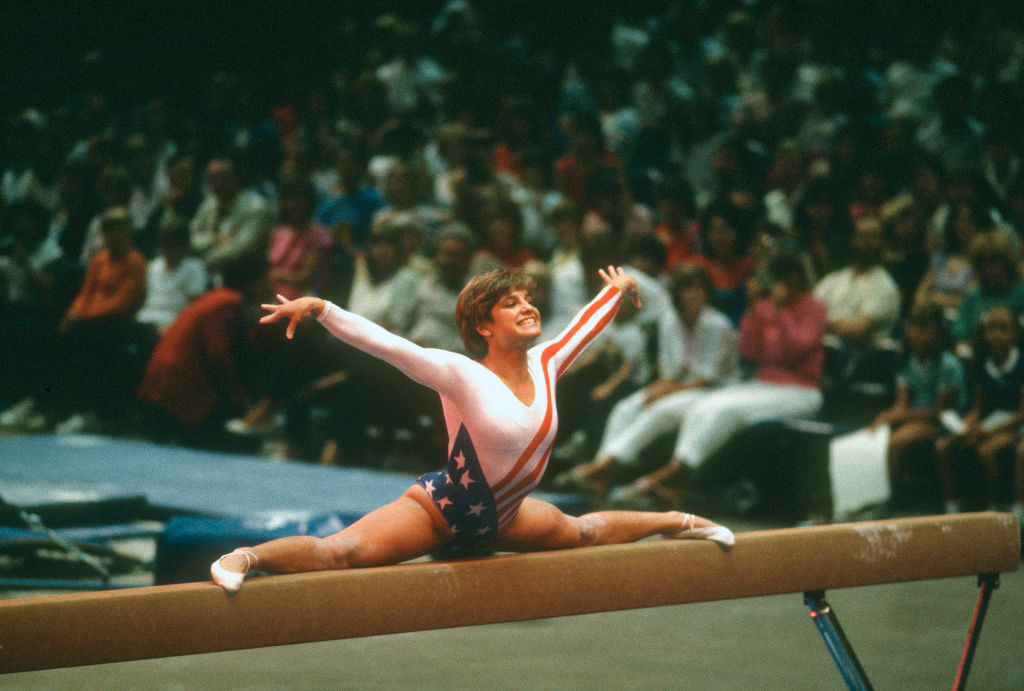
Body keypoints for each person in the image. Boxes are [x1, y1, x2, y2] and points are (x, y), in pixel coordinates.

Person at [211, 266, 734, 592]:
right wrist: (323, 308)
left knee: (583, 531)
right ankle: (245, 556)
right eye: (511, 303)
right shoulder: (460, 374)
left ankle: (676, 519)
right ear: (484, 326)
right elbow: (392, 346)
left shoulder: (548, 362)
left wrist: (619, 287)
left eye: (528, 299)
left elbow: (586, 324)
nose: (528, 306)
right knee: (340, 554)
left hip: (506, 518)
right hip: (441, 510)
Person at [609, 253, 825, 508]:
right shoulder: (765, 307)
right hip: (762, 383)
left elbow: (798, 348)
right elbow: (750, 351)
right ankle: (677, 480)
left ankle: (672, 477)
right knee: (703, 405)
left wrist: (781, 312)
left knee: (725, 410)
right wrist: (754, 311)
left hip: (800, 389)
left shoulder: (813, 306)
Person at [554, 264, 739, 496]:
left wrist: (667, 391)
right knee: (627, 407)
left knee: (660, 410)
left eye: (699, 289)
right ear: (677, 293)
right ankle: (601, 474)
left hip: (712, 390)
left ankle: (604, 466)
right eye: (687, 289)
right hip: (679, 385)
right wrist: (658, 389)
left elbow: (709, 377)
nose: (693, 294)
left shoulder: (717, 324)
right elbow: (670, 371)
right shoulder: (670, 321)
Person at [937, 306, 1024, 514]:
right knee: (943, 446)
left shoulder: (1021, 363)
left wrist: (989, 431)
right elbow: (978, 407)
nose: (997, 335)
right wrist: (967, 424)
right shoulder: (983, 363)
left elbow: (1021, 413)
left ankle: (1005, 508)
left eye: (1003, 329)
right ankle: (952, 504)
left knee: (986, 451)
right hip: (992, 422)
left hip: (1015, 423)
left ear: (1015, 333)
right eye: (992, 328)